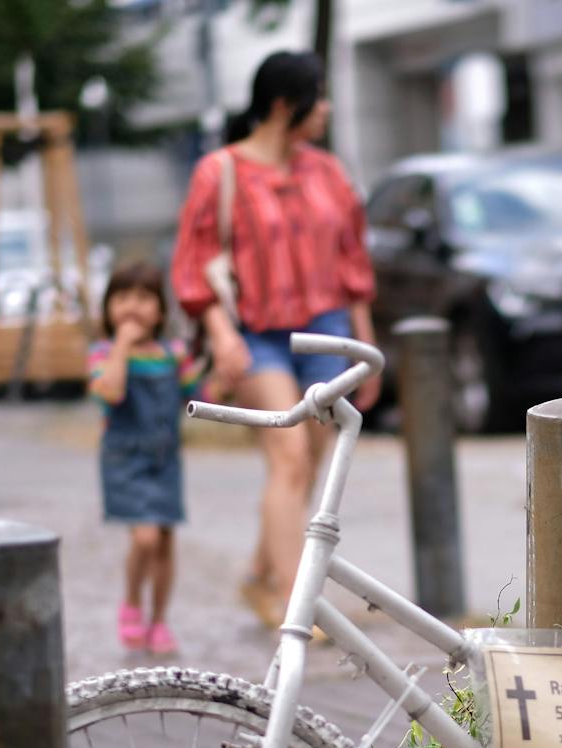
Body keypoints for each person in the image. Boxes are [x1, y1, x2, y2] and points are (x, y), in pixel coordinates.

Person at [171, 50, 379, 630]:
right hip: (256, 333)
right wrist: (222, 337)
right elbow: (194, 264)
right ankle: (295, 604)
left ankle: (260, 572)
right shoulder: (220, 172)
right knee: (288, 456)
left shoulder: (328, 172)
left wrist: (367, 348)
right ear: (286, 104)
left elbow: (352, 263)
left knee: (309, 461)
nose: (327, 108)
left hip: (328, 330)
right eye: (319, 96)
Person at [89, 260, 201, 657]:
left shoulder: (173, 354)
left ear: (160, 310)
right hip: (126, 460)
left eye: (142, 298)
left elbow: (196, 394)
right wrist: (122, 344)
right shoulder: (102, 354)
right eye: (121, 297)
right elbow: (110, 392)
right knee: (145, 537)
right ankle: (132, 601)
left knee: (165, 542)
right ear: (107, 307)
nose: (132, 306)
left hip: (165, 460)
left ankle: (160, 621)